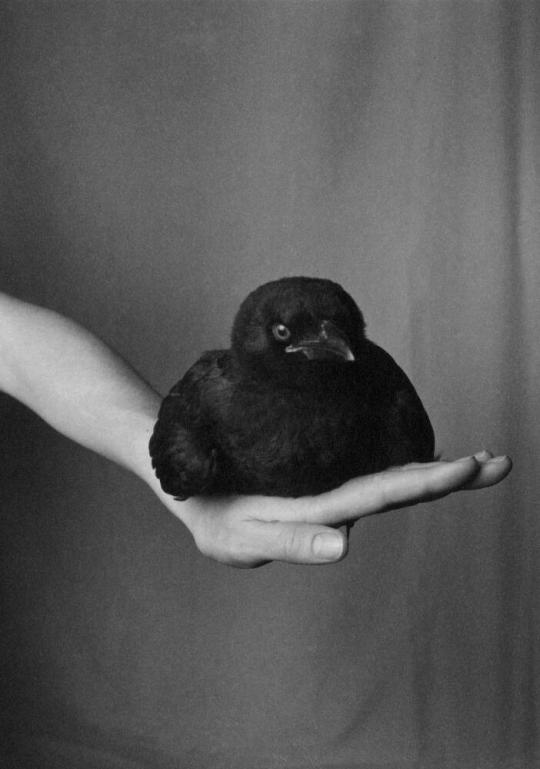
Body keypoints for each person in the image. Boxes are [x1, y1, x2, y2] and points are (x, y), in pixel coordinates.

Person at [0, 291, 512, 567]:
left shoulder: (378, 383)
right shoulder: (214, 393)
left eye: (339, 329)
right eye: (288, 332)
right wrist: (190, 490)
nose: (330, 342)